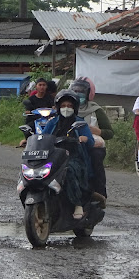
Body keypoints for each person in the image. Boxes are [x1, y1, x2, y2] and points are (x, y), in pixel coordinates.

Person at [42, 89, 95, 220]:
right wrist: (29, 140)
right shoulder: (52, 122)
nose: (66, 108)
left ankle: (78, 204)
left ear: (75, 107)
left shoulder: (80, 123)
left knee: (68, 171)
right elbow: (42, 137)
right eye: (64, 106)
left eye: (70, 106)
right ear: (58, 106)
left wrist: (85, 139)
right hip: (54, 157)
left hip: (74, 157)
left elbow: (91, 141)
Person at [69, 77, 113, 204]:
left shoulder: (96, 110)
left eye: (82, 91)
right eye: (75, 90)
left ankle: (100, 193)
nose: (78, 94)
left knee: (95, 159)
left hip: (92, 145)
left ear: (89, 93)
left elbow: (110, 133)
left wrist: (98, 131)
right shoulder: (66, 108)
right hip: (70, 142)